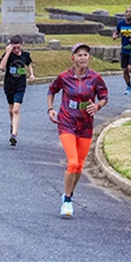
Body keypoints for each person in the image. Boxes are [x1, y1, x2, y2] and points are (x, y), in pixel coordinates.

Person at [47, 43, 108, 218]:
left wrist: (97, 106)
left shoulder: (95, 78)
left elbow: (104, 97)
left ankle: (70, 194)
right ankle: (67, 201)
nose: (83, 58)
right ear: (72, 58)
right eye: (79, 55)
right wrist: (50, 109)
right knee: (72, 162)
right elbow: (51, 90)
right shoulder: (64, 77)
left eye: (85, 55)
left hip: (85, 124)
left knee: (79, 165)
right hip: (67, 121)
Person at [0, 35, 34, 146]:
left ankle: (14, 134)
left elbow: (29, 64)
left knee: (16, 110)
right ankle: (12, 123)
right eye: (14, 48)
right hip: (9, 85)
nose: (17, 50)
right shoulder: (8, 55)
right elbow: (2, 67)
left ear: (22, 45)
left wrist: (32, 74)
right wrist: (8, 52)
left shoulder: (25, 55)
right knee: (10, 108)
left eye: (18, 47)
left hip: (20, 85)